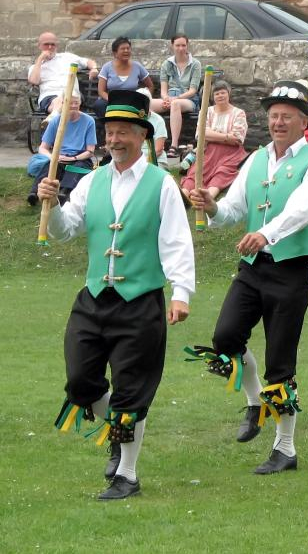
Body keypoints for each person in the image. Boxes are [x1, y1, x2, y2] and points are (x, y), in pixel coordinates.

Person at [40, 90, 194, 500]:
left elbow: (177, 241)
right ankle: (116, 431)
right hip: (93, 298)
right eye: (110, 131)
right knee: (80, 382)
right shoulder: (93, 181)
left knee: (131, 390)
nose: (114, 139)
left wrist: (181, 292)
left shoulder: (162, 184)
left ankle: (126, 474)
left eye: (123, 131)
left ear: (142, 136)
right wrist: (52, 205)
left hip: (141, 300)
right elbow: (63, 229)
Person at [187, 80, 308, 475]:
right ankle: (254, 402)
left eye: (287, 116)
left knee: (280, 362)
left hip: (292, 270)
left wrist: (267, 233)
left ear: (304, 122)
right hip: (253, 269)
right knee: (226, 338)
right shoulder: (256, 159)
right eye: (274, 115)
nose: (278, 121)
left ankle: (286, 448)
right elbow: (234, 210)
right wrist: (212, 207)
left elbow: (302, 210)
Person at [180, 80, 248, 200]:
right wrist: (226, 136)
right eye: (217, 94)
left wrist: (212, 135)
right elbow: (200, 134)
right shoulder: (206, 112)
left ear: (229, 94)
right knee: (196, 171)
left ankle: (207, 198)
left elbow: (237, 138)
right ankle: (183, 198)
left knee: (222, 172)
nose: (220, 96)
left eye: (223, 93)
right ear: (212, 96)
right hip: (208, 150)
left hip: (231, 153)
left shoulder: (239, 113)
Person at [27, 93, 96, 206]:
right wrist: (53, 157)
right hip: (60, 156)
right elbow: (42, 148)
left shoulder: (89, 121)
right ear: (63, 103)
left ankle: (64, 192)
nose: (74, 106)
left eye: (76, 103)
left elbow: (90, 151)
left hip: (80, 157)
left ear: (80, 103)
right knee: (48, 167)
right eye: (70, 103)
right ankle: (35, 193)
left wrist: (73, 158)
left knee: (76, 168)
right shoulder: (56, 120)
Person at [150, 34, 201, 158]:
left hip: (187, 99)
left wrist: (176, 99)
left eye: (183, 45)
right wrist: (166, 98)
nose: (181, 48)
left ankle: (173, 145)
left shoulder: (195, 64)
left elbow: (193, 90)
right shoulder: (167, 64)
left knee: (176, 104)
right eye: (178, 45)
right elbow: (163, 90)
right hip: (170, 98)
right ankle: (148, 141)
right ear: (172, 46)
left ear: (187, 46)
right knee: (146, 103)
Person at [28, 31, 99, 121]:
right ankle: (55, 117)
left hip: (72, 96)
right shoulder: (36, 67)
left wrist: (94, 68)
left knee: (65, 99)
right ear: (39, 46)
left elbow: (88, 62)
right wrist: (40, 59)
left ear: (56, 46)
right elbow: (34, 81)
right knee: (60, 100)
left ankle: (52, 119)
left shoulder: (67, 57)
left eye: (52, 44)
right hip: (49, 98)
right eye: (46, 44)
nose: (50, 47)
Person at [94, 37, 154, 119]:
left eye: (128, 48)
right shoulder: (107, 67)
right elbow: (101, 91)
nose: (126, 51)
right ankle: (109, 129)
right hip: (111, 101)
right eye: (123, 49)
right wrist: (111, 100)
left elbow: (150, 86)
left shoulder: (137, 66)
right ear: (115, 53)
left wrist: (143, 99)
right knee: (99, 105)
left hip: (131, 102)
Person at [136, 88, 169, 168]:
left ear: (149, 103)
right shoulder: (130, 120)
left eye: (145, 102)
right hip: (134, 160)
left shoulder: (158, 120)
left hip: (155, 159)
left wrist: (142, 164)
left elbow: (158, 150)